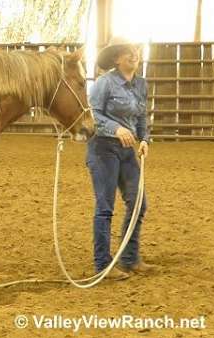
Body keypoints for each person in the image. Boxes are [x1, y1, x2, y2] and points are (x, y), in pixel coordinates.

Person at [88, 37, 159, 280]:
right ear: (116, 58)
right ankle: (102, 265)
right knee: (105, 208)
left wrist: (144, 140)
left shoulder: (141, 84)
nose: (134, 54)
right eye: (128, 51)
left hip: (128, 152)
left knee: (139, 203)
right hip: (103, 149)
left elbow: (141, 117)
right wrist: (115, 129)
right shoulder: (104, 83)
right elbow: (92, 115)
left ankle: (129, 259)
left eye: (136, 50)